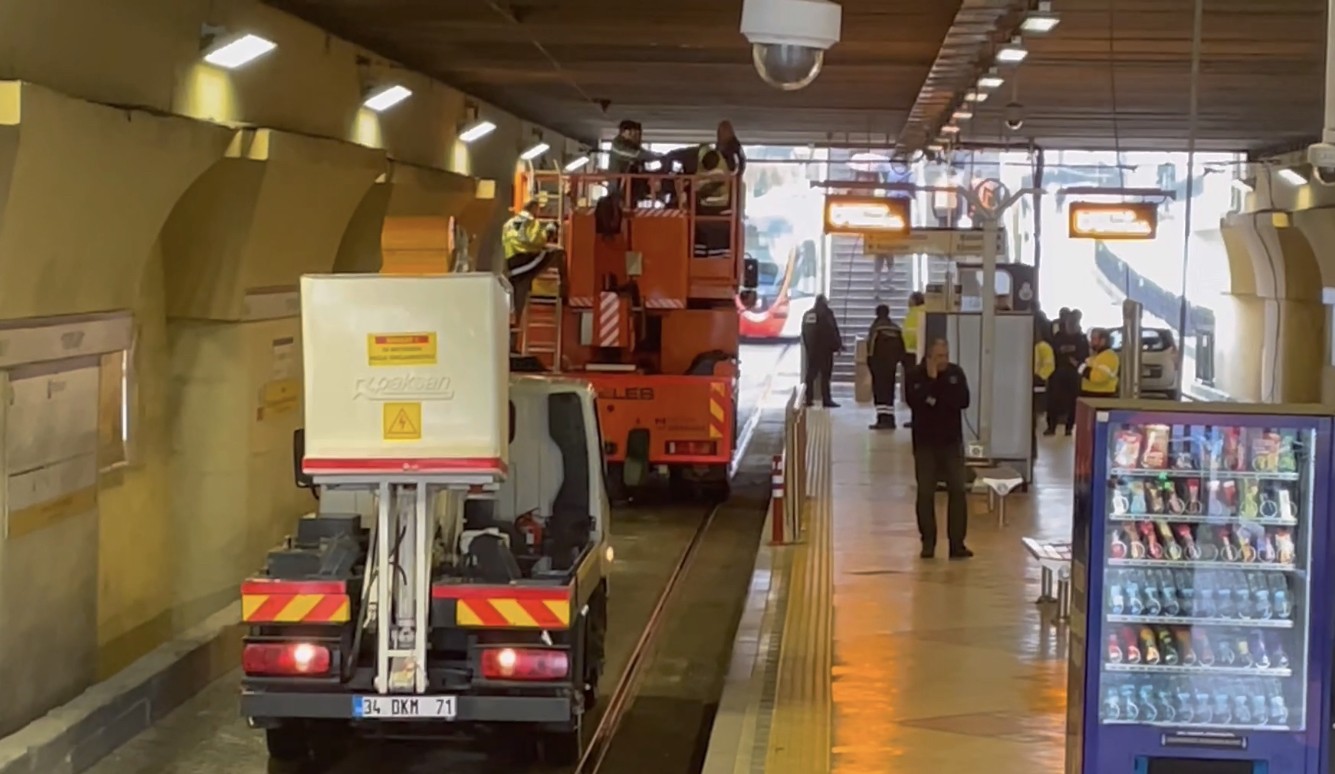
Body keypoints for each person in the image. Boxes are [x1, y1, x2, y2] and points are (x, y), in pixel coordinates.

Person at [905, 338, 972, 559]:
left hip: (951, 442)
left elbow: (962, 400)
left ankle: (957, 543)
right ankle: (928, 542)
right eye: (939, 356)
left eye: (946, 355)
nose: (944, 360)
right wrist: (932, 384)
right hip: (925, 444)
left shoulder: (956, 374)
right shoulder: (915, 375)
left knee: (958, 490)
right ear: (929, 357)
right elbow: (915, 401)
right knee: (925, 492)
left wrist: (934, 397)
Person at [502, 199, 567, 326]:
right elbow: (536, 240)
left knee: (517, 306)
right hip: (526, 262)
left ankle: (512, 340)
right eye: (539, 209)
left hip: (512, 264)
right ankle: (564, 289)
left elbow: (513, 242)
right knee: (559, 253)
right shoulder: (530, 222)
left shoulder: (509, 223)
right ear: (534, 208)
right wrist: (549, 231)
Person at [1046, 310, 1088, 436]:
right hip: (1057, 372)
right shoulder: (1058, 337)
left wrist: (1076, 361)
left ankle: (1069, 427)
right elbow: (1052, 352)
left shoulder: (1081, 338)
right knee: (1053, 400)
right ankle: (1051, 426)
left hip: (1073, 373)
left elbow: (1084, 356)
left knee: (1072, 402)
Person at [865, 304, 906, 430]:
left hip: (878, 364)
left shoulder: (876, 328)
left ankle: (882, 419)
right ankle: (890, 418)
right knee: (889, 391)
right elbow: (901, 348)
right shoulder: (896, 328)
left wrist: (870, 362)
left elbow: (870, 346)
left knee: (879, 392)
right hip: (891, 366)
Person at [801, 294, 842, 408]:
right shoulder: (827, 314)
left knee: (810, 375)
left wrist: (809, 347)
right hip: (825, 351)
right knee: (825, 377)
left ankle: (808, 398)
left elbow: (805, 331)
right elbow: (832, 330)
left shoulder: (809, 314)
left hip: (812, 350)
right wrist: (837, 345)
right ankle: (826, 399)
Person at [902, 292, 926, 427]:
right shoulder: (916, 313)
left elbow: (910, 335)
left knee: (914, 388)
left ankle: (916, 418)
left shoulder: (917, 314)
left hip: (913, 354)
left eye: (910, 299)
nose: (908, 301)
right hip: (913, 353)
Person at [1080, 327, 1121, 398]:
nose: (1091, 341)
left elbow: (1098, 377)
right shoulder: (1096, 356)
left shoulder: (1109, 356)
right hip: (1091, 395)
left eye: (1094, 339)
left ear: (1103, 341)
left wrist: (1080, 367)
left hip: (1101, 396)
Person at [1033, 319, 1055, 448]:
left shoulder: (1043, 347)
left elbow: (1049, 365)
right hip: (1028, 382)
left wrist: (1039, 377)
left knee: (1035, 415)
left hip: (1038, 383)